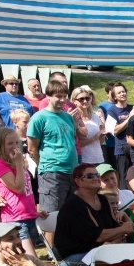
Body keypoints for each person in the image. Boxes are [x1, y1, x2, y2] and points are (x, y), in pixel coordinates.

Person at [28, 80, 84, 241]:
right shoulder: (39, 118)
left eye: (65, 96)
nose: (62, 100)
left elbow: (71, 140)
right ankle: (52, 252)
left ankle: (69, 247)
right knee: (52, 216)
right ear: (48, 96)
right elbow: (32, 148)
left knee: (71, 213)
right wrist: (45, 166)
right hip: (51, 173)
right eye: (58, 96)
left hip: (72, 172)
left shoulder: (68, 117)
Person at [54, 164, 134, 263]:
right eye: (90, 176)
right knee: (119, 259)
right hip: (73, 256)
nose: (96, 178)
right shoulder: (73, 205)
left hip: (100, 250)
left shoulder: (103, 199)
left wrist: (112, 243)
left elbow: (115, 229)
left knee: (132, 256)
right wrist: (122, 229)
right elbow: (98, 236)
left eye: (97, 175)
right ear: (78, 182)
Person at [0, 128, 40, 255]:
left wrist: (35, 211)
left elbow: (28, 190)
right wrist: (18, 163)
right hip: (15, 218)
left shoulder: (18, 162)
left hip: (29, 215)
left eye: (17, 142)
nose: (15, 146)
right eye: (10, 143)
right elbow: (19, 188)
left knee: (30, 258)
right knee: (31, 259)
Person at [104, 82, 134, 183]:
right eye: (119, 93)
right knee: (124, 179)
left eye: (123, 91)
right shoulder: (112, 111)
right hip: (121, 150)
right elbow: (115, 130)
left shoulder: (132, 108)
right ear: (114, 96)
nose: (122, 94)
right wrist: (130, 118)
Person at [71, 85, 104, 165]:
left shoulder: (95, 116)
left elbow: (100, 141)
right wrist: (93, 139)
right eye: (81, 99)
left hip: (98, 157)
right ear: (74, 101)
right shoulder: (74, 118)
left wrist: (102, 135)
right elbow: (76, 144)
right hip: (83, 160)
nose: (85, 101)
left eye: (87, 98)